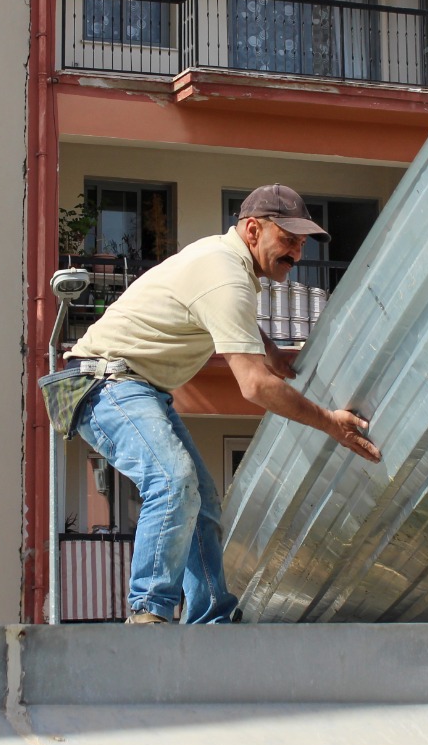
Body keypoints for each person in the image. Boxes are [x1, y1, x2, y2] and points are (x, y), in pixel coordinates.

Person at [65, 183, 381, 624]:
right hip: (103, 383)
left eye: (302, 244)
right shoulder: (227, 273)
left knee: (203, 501)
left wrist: (268, 349)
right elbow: (254, 387)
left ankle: (210, 618)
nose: (297, 254)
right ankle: (147, 613)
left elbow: (227, 316)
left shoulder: (226, 263)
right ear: (252, 230)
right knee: (173, 482)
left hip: (138, 388)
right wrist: (330, 422)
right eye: (287, 240)